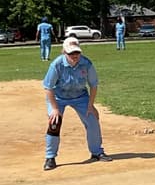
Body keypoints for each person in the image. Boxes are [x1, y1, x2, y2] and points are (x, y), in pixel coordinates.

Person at [41, 36, 109, 170]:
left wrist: (91, 105)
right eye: (70, 53)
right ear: (64, 52)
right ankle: (50, 157)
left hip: (80, 96)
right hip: (58, 97)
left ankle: (97, 152)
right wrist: (54, 109)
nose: (74, 56)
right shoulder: (56, 64)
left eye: (77, 52)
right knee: (54, 122)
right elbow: (48, 87)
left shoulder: (86, 64)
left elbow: (93, 85)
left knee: (92, 119)